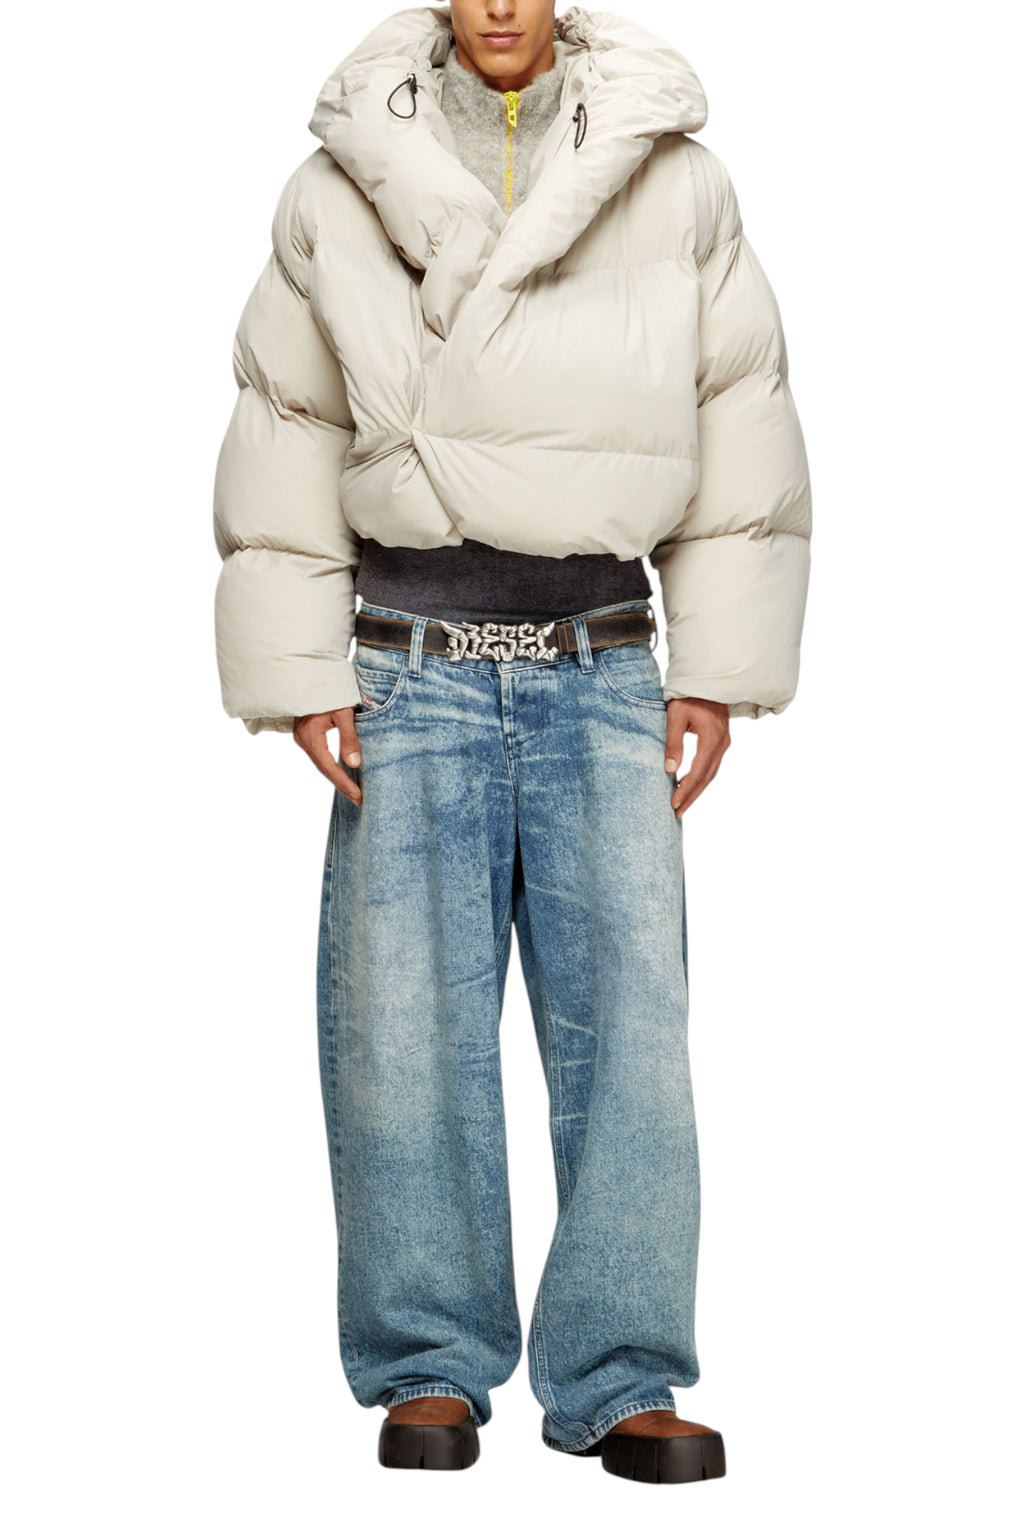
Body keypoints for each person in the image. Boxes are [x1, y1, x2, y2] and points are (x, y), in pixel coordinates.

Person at [212, 1, 811, 1483]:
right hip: (405, 669)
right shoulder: (336, 179)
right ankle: (428, 1364)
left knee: (633, 1040)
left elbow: (740, 408)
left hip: (603, 664)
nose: (498, 4)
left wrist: (715, 670)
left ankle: (624, 1373)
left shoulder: (677, 175)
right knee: (401, 1035)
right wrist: (302, 671)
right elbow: (288, 421)